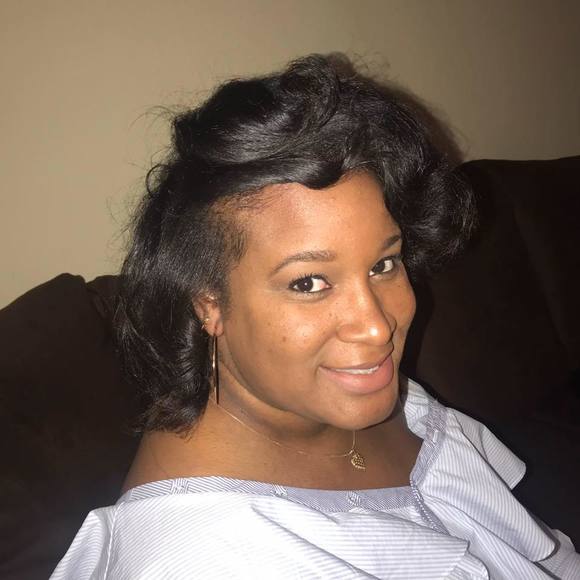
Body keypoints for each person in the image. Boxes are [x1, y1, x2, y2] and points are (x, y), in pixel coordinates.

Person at [51, 54, 579, 579]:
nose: (377, 327)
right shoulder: (207, 559)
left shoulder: (366, 396)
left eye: (383, 264)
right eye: (308, 283)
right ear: (207, 300)